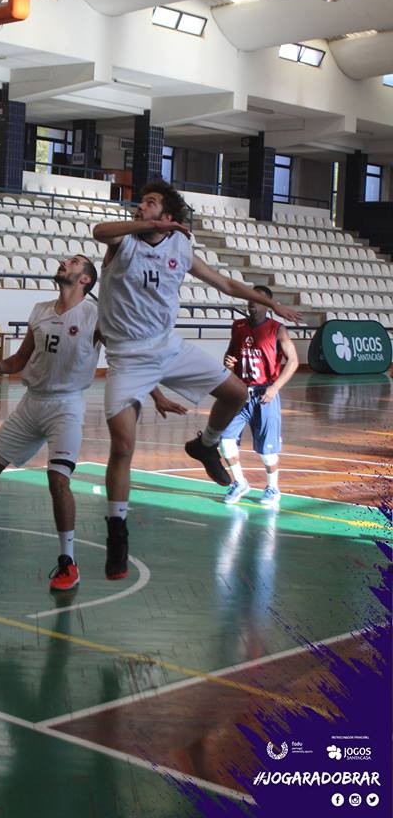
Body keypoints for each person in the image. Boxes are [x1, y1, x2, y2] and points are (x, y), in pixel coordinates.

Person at [0, 253, 182, 591]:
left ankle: (68, 562)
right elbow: (20, 359)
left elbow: (127, 357)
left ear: (86, 279)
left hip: (66, 406)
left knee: (57, 479)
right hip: (32, 403)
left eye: (74, 262)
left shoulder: (96, 316)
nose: (65, 262)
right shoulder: (40, 310)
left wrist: (156, 393)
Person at [93, 180, 302, 581]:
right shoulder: (123, 241)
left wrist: (271, 302)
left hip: (168, 347)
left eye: (150, 203)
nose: (141, 206)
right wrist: (141, 224)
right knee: (123, 445)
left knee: (237, 393)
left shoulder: (180, 248)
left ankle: (204, 446)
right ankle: (117, 530)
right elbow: (99, 232)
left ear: (169, 217)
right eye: (141, 202)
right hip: (127, 358)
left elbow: (225, 283)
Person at [218, 285, 299, 506]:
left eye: (257, 300)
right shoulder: (238, 326)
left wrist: (275, 387)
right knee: (225, 441)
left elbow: (293, 361)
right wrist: (228, 361)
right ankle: (240, 482)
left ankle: (273, 488)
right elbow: (230, 354)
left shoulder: (277, 329)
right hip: (240, 394)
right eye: (249, 300)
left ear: (268, 305)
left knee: (267, 453)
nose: (252, 304)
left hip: (265, 395)